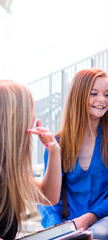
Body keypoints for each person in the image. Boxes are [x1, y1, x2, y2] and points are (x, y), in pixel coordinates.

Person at [38, 68, 108, 240]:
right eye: (94, 93)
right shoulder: (57, 144)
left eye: (107, 94)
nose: (102, 100)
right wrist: (57, 227)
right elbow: (48, 195)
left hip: (106, 219)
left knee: (97, 235)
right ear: (79, 96)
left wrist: (90, 217)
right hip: (67, 221)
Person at [0, 80, 62, 240]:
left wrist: (54, 151)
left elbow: (49, 196)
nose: (35, 117)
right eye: (30, 109)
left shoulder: (10, 172)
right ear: (16, 117)